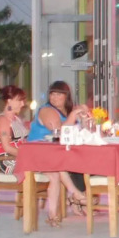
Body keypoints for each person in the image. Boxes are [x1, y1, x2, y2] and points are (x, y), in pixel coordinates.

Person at [26, 81, 91, 226]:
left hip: (58, 153)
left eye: (58, 94)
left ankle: (70, 203)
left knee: (82, 161)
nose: (54, 97)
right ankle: (75, 195)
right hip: (38, 152)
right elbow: (59, 131)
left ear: (66, 96)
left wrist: (84, 117)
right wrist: (73, 115)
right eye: (52, 94)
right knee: (58, 167)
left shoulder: (68, 110)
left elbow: (83, 130)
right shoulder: (46, 110)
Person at [0, 85, 30, 174]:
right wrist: (27, 156)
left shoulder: (17, 119)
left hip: (20, 158)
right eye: (19, 100)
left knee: (51, 163)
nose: (22, 104)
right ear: (9, 100)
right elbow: (7, 147)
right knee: (44, 164)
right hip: (9, 161)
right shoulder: (2, 120)